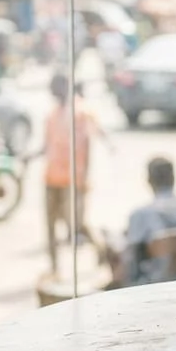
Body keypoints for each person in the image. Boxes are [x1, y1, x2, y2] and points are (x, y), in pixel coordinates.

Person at [43, 73, 111, 273]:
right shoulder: (52, 114)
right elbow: (46, 145)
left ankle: (101, 249)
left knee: (76, 223)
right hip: (51, 177)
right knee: (50, 225)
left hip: (72, 180)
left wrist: (83, 178)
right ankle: (54, 267)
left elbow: (88, 142)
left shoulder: (80, 112)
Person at [110, 158, 176, 287]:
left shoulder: (140, 214)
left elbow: (130, 264)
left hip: (153, 285)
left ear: (149, 180)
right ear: (173, 179)